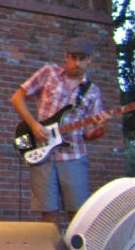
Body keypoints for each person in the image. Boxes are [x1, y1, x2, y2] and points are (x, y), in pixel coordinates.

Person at [10, 37, 108, 226]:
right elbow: (17, 98)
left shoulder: (92, 91)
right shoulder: (49, 73)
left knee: (77, 212)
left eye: (82, 58)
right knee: (47, 212)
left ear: (90, 60)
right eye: (73, 57)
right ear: (66, 57)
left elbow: (88, 134)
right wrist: (34, 125)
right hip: (43, 151)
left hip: (73, 154)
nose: (77, 63)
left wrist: (100, 129)